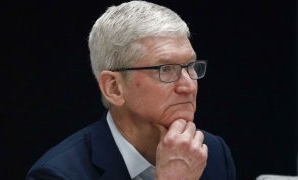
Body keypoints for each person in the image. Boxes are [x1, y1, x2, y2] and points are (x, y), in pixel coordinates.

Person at [26, 1, 236, 179]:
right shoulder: (58, 174)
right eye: (166, 69)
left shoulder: (211, 152)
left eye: (190, 66)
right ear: (114, 88)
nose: (188, 86)